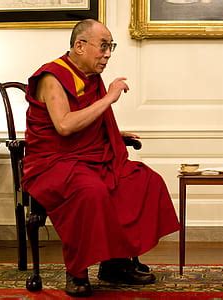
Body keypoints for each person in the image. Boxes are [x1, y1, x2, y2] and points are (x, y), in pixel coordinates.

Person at [22, 19, 180, 297]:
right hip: (53, 164)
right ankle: (77, 271)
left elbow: (90, 121)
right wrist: (109, 98)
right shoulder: (52, 77)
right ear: (80, 45)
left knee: (143, 180)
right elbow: (65, 126)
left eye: (111, 47)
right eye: (103, 47)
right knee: (91, 191)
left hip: (88, 158)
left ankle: (115, 263)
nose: (107, 54)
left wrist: (114, 133)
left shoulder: (90, 75)